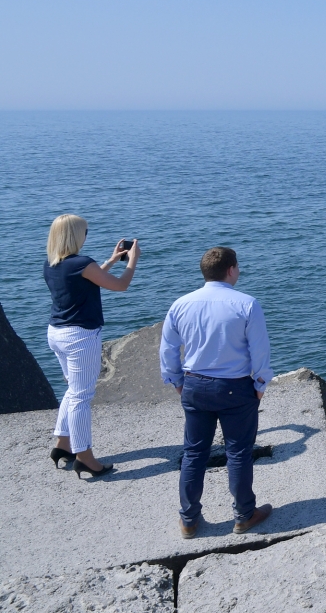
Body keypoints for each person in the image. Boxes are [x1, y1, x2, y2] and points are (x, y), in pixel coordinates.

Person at [160, 247, 273, 539]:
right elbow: (259, 351)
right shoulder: (247, 304)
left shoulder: (180, 304)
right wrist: (260, 385)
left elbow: (168, 349)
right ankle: (244, 515)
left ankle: (188, 520)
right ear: (231, 269)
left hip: (194, 385)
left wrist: (177, 382)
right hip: (236, 388)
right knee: (238, 452)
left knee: (194, 453)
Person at [44, 214, 139, 478]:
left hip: (56, 333)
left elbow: (87, 281)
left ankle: (63, 444)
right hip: (80, 337)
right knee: (81, 397)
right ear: (76, 235)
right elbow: (120, 285)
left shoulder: (52, 263)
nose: (86, 236)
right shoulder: (82, 263)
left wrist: (111, 260)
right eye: (85, 232)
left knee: (73, 390)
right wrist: (132, 261)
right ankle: (84, 456)